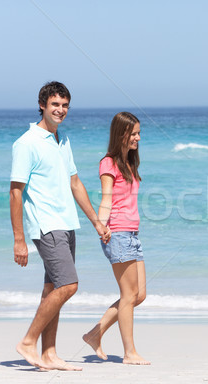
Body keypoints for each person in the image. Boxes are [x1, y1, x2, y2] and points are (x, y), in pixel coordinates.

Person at [10, 81, 110, 371]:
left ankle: (49, 354)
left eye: (65, 105)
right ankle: (28, 341)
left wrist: (95, 220)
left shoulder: (62, 141)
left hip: (67, 223)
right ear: (42, 105)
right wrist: (19, 239)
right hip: (46, 224)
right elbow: (16, 192)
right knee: (69, 285)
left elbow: (75, 183)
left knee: (52, 287)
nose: (60, 110)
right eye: (55, 104)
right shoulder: (27, 143)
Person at [82, 111, 150, 365]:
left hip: (132, 233)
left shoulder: (129, 162)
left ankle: (94, 334)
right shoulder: (108, 163)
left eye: (139, 133)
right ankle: (129, 352)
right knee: (128, 294)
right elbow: (107, 198)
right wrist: (100, 224)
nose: (138, 138)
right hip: (117, 232)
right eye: (134, 134)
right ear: (122, 134)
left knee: (139, 295)